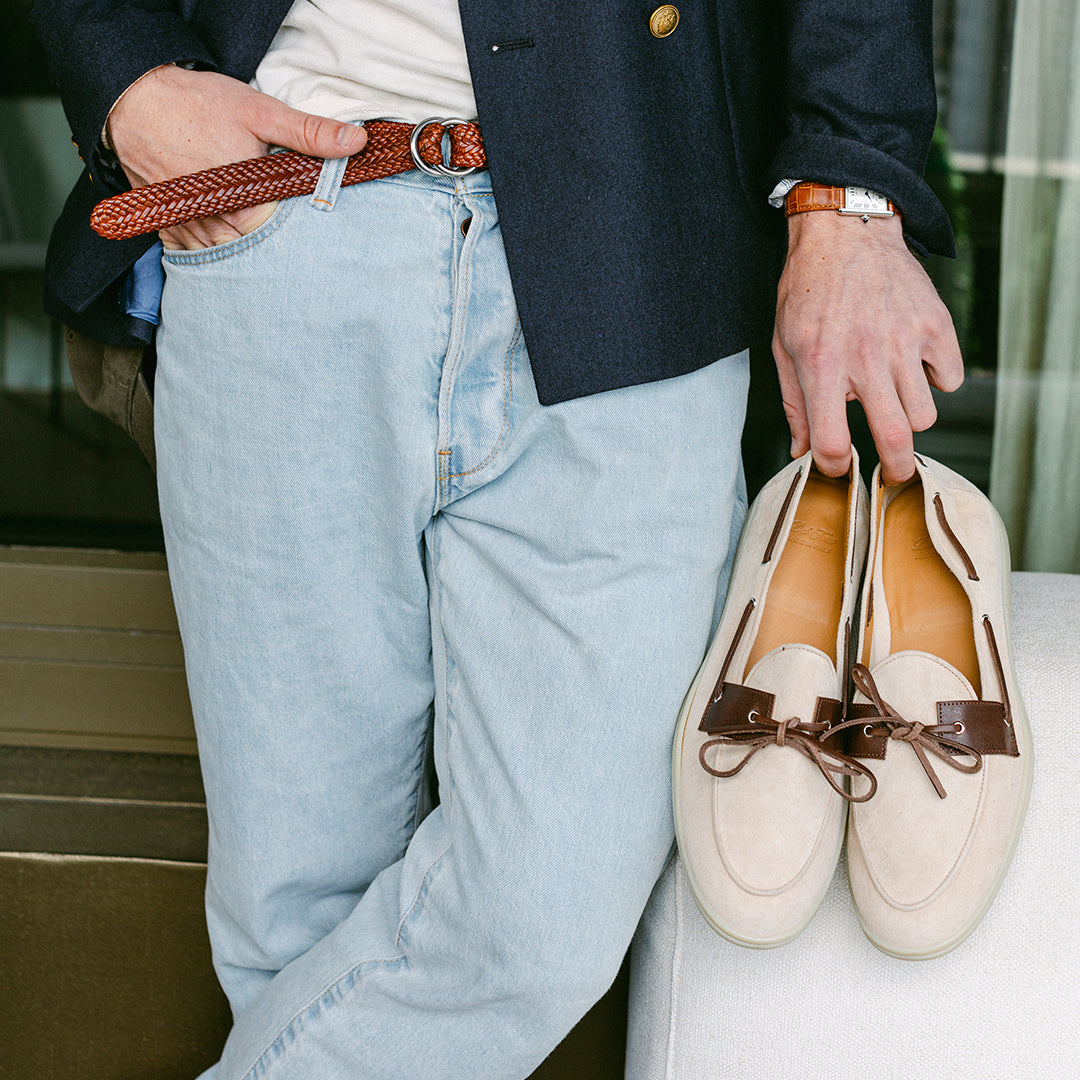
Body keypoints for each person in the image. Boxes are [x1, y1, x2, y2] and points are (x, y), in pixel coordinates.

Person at [32, 3, 962, 1077]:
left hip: (636, 249)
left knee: (543, 911)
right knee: (297, 908)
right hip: (284, 215)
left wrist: (849, 199)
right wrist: (127, 79)